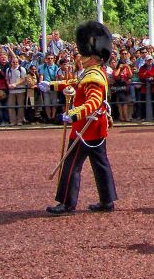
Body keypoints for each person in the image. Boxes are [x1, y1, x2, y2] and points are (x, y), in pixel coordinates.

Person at [40, 20, 117, 215]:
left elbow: (93, 103)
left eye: (85, 54)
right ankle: (107, 200)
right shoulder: (92, 73)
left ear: (95, 57)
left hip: (85, 129)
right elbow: (75, 83)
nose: (81, 57)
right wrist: (52, 85)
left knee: (71, 165)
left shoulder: (94, 77)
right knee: (100, 164)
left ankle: (67, 203)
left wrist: (73, 115)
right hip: (95, 128)